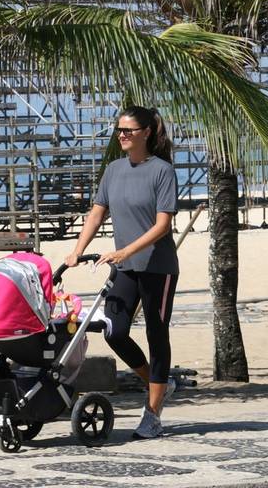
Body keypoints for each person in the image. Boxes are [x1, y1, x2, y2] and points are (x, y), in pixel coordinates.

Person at [65, 105, 179, 439]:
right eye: (118, 130)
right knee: (114, 331)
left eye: (128, 130)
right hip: (124, 266)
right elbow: (96, 214)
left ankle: (153, 415)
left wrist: (127, 250)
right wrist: (77, 250)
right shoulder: (114, 170)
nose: (121, 135)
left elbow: (163, 225)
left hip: (157, 267)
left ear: (146, 133)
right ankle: (159, 384)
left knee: (157, 337)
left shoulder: (162, 171)